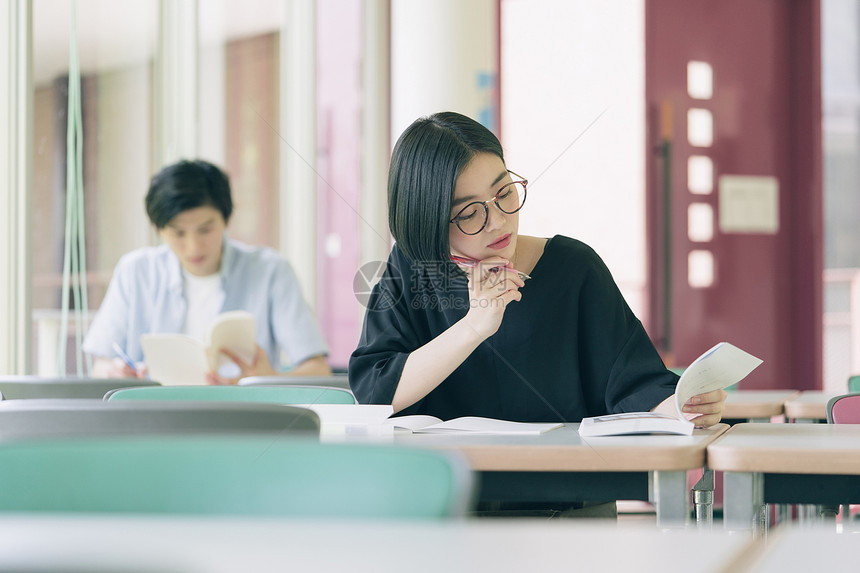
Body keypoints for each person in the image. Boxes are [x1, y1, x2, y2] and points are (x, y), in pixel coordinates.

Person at [349, 111, 726, 427]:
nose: (498, 221)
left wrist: (683, 408)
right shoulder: (410, 272)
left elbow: (635, 386)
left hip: (565, 500)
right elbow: (376, 393)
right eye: (468, 214)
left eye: (504, 193)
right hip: (453, 500)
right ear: (426, 227)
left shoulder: (574, 268)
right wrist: (473, 327)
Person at [84, 159, 331, 383]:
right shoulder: (135, 272)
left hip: (243, 421)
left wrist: (268, 380)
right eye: (178, 233)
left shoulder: (271, 272)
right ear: (159, 229)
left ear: (226, 219)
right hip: (154, 420)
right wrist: (112, 371)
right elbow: (101, 365)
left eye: (205, 229)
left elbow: (318, 370)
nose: (194, 247)